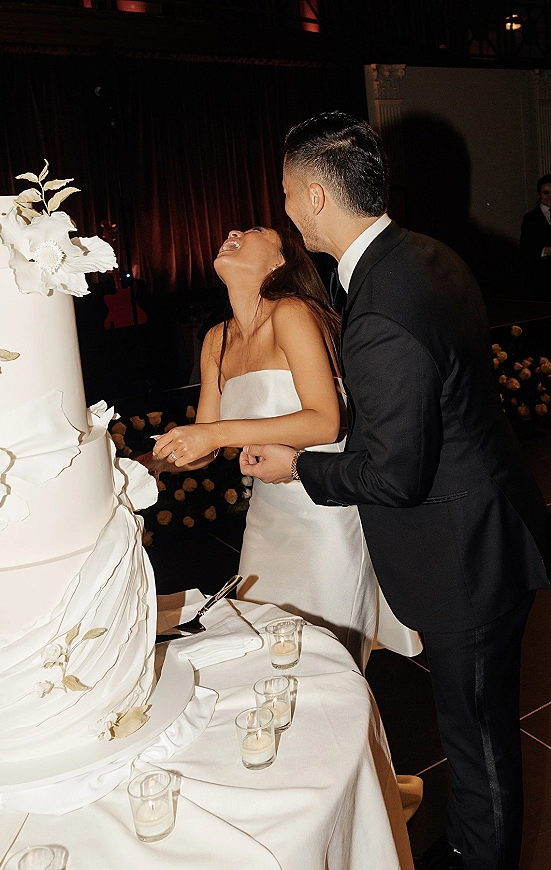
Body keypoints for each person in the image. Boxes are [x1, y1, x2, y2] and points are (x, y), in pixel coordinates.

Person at [240, 112, 551, 870]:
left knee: (476, 742)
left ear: (316, 197)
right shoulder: (430, 255)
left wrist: (297, 469)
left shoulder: (379, 309)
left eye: (285, 192)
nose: (282, 207)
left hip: (464, 560)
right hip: (495, 523)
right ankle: (480, 840)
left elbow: (392, 474)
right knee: (477, 731)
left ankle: (485, 856)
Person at [152, 225, 420, 670]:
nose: (233, 231)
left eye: (254, 231)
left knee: (322, 662)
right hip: (267, 517)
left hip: (325, 516)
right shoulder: (216, 340)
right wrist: (155, 461)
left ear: (279, 262)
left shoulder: (291, 312)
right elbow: (206, 443)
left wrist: (215, 435)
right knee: (263, 651)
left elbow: (325, 422)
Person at [519, 174, 551, 300]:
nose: (550, 196)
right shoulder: (530, 219)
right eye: (546, 193)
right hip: (543, 278)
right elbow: (525, 248)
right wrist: (545, 250)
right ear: (539, 194)